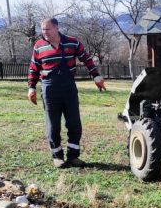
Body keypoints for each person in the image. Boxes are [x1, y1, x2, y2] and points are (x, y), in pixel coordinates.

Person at [27, 18, 106, 168]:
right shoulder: (39, 46)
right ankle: (57, 157)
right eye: (43, 29)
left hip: (69, 88)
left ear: (56, 27)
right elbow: (33, 68)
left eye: (48, 29)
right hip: (49, 89)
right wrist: (31, 87)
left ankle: (73, 156)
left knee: (74, 123)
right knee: (53, 125)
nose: (45, 32)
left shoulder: (72, 42)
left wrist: (96, 76)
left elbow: (87, 59)